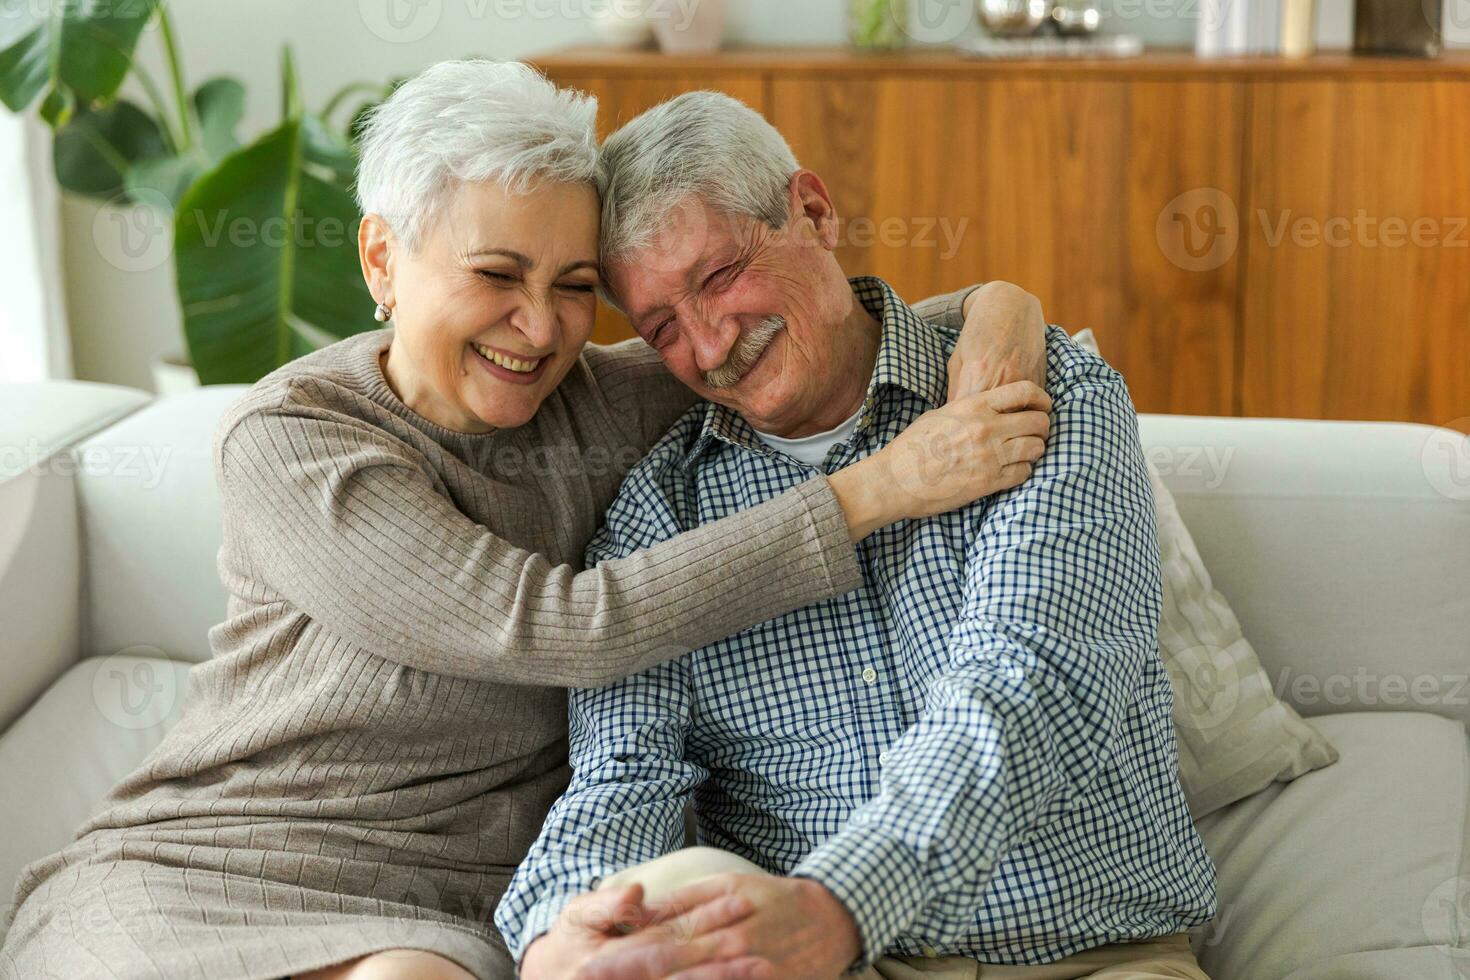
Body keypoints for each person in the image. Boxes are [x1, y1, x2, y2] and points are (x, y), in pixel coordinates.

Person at [0, 63, 1053, 980]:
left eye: (575, 287)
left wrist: (1007, 305)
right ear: (381, 259)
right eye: (496, 275)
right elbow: (554, 627)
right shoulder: (295, 439)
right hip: (210, 869)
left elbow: (830, 317)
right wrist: (875, 489)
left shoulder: (594, 398)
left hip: (440, 904)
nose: (540, 327)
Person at [498, 92, 1218, 980]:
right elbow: (623, 775)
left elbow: (1033, 685)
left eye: (719, 277)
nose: (712, 342)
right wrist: (555, 929)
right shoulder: (659, 517)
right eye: (661, 329)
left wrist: (835, 907)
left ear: (813, 210)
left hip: (1092, 956)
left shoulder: (1044, 394)